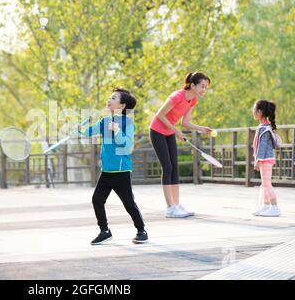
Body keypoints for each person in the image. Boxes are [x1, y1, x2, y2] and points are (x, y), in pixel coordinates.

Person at [80, 88, 148, 245]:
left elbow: (126, 144)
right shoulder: (105, 121)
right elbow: (89, 132)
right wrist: (80, 130)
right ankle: (104, 231)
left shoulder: (128, 123)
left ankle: (141, 230)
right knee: (97, 200)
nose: (109, 100)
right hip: (107, 171)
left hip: (121, 170)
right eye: (110, 97)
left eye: (113, 98)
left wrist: (117, 130)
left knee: (129, 203)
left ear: (122, 106)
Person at [149, 72, 212, 218]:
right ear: (193, 85)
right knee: (167, 167)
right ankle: (170, 208)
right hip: (157, 130)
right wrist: (176, 131)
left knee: (174, 167)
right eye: (202, 86)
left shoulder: (193, 100)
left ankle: (177, 205)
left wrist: (202, 128)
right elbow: (160, 115)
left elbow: (185, 122)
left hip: (169, 131)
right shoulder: (177, 96)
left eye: (206, 87)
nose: (204, 90)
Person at [252, 100, 281, 217]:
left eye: (254, 110)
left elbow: (262, 147)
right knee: (264, 184)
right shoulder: (263, 127)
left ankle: (275, 207)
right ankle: (265, 205)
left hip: (265, 160)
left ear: (260, 112)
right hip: (265, 160)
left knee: (267, 184)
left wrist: (258, 161)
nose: (253, 112)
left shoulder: (265, 129)